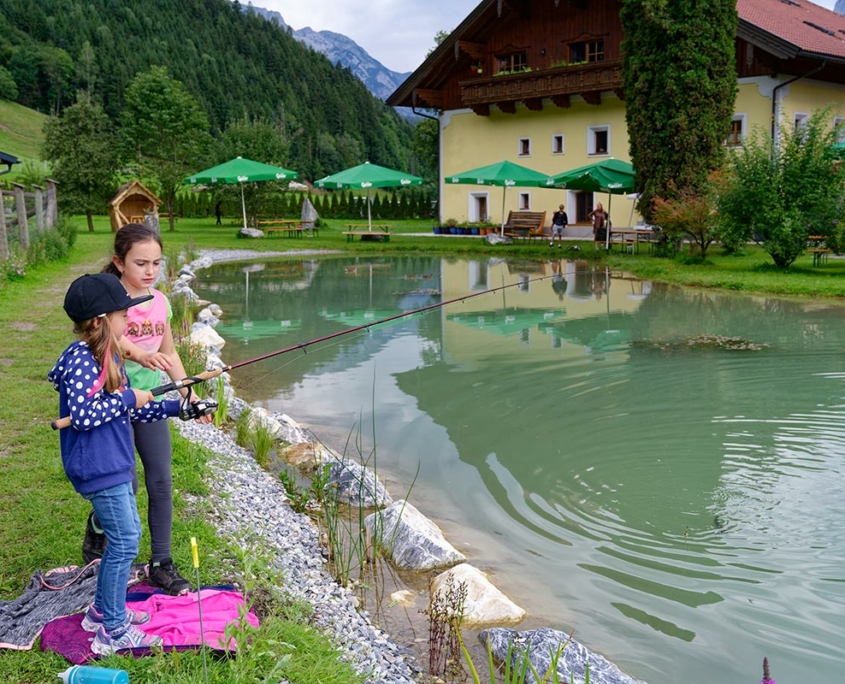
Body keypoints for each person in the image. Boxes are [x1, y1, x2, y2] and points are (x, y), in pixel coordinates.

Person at [49, 273, 182, 654]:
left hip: (114, 460)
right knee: (124, 542)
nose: (130, 322)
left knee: (126, 537)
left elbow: (130, 411)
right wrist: (128, 399)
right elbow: (86, 415)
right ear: (98, 321)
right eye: (123, 315)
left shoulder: (108, 357)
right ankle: (112, 629)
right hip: (97, 465)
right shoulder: (81, 360)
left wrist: (178, 408)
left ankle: (103, 610)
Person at [82, 223, 209, 596]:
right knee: (125, 483)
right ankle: (99, 527)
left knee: (160, 480)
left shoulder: (161, 302)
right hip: (115, 403)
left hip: (150, 403)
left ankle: (161, 563)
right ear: (119, 262)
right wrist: (140, 354)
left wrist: (189, 394)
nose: (150, 271)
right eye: (141, 263)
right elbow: (111, 342)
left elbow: (169, 354)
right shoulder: (108, 304)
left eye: (156, 262)